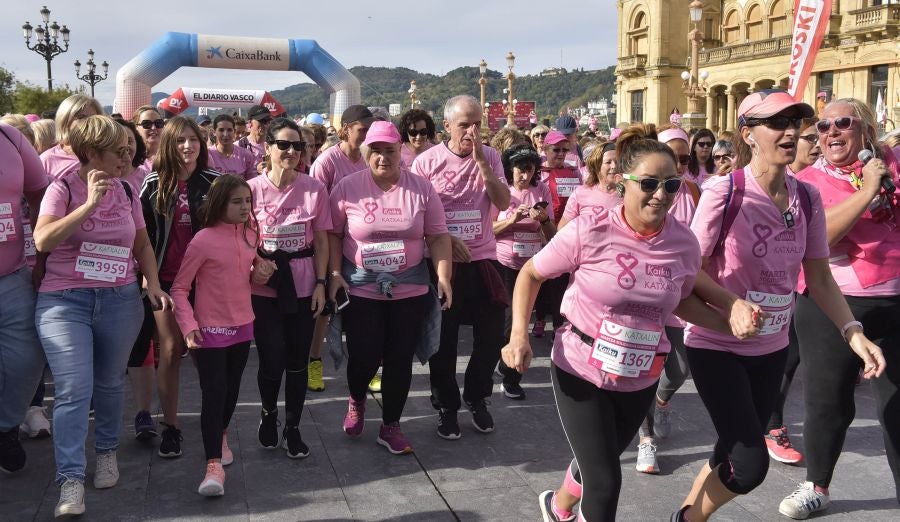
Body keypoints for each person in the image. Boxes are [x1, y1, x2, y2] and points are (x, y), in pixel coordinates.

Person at [502, 124, 752, 522]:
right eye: (650, 183)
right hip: (580, 367)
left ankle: (557, 506)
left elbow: (682, 302)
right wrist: (519, 336)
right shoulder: (592, 228)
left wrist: (730, 325)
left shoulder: (683, 243)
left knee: (597, 459)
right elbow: (530, 274)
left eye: (671, 185)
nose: (660, 194)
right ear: (624, 181)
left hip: (640, 373)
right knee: (606, 480)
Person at [674, 90, 885, 522]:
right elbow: (686, 269)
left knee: (726, 451)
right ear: (748, 134)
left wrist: (853, 332)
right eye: (777, 123)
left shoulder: (805, 198)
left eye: (795, 122)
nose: (790, 132)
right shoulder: (724, 192)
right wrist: (730, 303)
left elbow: (820, 277)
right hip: (716, 344)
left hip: (770, 348)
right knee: (749, 466)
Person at [33, 115, 172, 517]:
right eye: (119, 150)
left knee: (111, 383)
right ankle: (71, 477)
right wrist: (90, 204)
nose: (128, 155)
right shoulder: (61, 188)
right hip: (65, 301)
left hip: (119, 299)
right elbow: (44, 239)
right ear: (92, 153)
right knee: (75, 388)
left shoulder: (129, 191)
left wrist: (154, 283)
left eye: (130, 150)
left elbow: (142, 243)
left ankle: (107, 451)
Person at [778, 98, 900, 519]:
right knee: (827, 401)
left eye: (841, 124)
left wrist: (881, 180)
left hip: (896, 305)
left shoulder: (893, 165)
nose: (829, 133)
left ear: (865, 128)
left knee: (897, 407)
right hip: (833, 303)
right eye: (822, 127)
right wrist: (867, 190)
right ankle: (818, 484)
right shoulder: (807, 182)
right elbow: (820, 238)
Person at [328, 120, 452, 454]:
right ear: (366, 152)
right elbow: (332, 234)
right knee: (365, 355)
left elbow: (438, 236)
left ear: (402, 151)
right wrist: (334, 273)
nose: (383, 157)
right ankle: (356, 398)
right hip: (362, 288)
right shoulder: (347, 187)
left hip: (409, 287)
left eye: (390, 150)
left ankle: (391, 426)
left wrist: (442, 277)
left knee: (399, 359)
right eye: (376, 151)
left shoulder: (422, 189)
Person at [412, 94, 510, 438]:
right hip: (443, 263)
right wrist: (445, 239)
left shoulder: (493, 156)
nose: (472, 131)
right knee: (445, 341)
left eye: (478, 124)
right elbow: (416, 216)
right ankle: (447, 406)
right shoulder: (426, 163)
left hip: (483, 259)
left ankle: (478, 397)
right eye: (465, 124)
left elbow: (503, 202)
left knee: (492, 337)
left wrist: (482, 162)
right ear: (447, 126)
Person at [171, 175, 272, 496]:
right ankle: (212, 465)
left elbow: (253, 276)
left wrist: (263, 271)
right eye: (236, 201)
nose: (244, 207)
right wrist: (188, 326)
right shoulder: (202, 240)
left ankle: (222, 433)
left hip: (243, 328)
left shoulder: (251, 234)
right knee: (213, 394)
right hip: (209, 333)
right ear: (219, 203)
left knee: (230, 394)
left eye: (247, 201)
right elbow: (179, 288)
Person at [249, 118, 331, 458]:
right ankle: (269, 413)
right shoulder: (251, 188)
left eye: (298, 146)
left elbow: (323, 241)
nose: (292, 152)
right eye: (283, 145)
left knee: (297, 361)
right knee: (271, 359)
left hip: (303, 284)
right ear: (268, 148)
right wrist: (254, 261)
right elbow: (241, 237)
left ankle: (293, 426)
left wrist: (322, 283)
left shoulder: (314, 189)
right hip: (265, 288)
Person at [140, 116, 220, 459]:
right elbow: (140, 236)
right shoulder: (154, 183)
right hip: (166, 282)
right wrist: (149, 277)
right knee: (171, 351)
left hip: (206, 282)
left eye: (194, 140)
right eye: (181, 140)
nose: (188, 146)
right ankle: (171, 426)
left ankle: (216, 426)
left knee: (206, 355)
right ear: (169, 145)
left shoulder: (216, 182)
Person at [308, 105, 374, 393]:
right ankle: (314, 363)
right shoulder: (326, 162)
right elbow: (315, 208)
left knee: (364, 314)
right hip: (330, 244)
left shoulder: (370, 158)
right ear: (346, 129)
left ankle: (369, 368)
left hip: (362, 248)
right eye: (363, 130)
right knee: (325, 311)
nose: (368, 135)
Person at [0, 121, 49, 473]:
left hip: (12, 275)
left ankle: (5, 426)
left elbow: (39, 190)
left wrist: (41, 257)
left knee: (28, 356)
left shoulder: (10, 137)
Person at [492, 145, 555, 400]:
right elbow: (489, 230)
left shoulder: (541, 191)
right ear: (510, 169)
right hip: (504, 264)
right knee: (509, 324)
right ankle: (510, 376)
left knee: (523, 323)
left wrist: (543, 220)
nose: (524, 176)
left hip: (532, 268)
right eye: (520, 170)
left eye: (529, 170)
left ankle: (508, 369)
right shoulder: (502, 191)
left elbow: (552, 236)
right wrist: (512, 220)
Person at [532, 131, 581, 339]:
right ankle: (540, 318)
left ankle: (559, 326)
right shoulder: (538, 172)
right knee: (543, 280)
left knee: (560, 281)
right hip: (542, 231)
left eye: (564, 149)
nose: (561, 154)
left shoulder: (574, 172)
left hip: (566, 233)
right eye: (556, 150)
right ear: (545, 149)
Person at [557, 142, 621, 230]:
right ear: (596, 166)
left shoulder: (630, 194)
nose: (614, 166)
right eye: (608, 162)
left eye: (617, 162)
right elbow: (562, 230)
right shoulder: (580, 194)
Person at [41, 94, 104, 179]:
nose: (89, 122)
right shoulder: (47, 160)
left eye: (94, 118)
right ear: (65, 120)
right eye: (81, 117)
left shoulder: (108, 154)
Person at [208, 114, 257, 180]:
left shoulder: (246, 155)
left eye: (229, 130)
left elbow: (252, 183)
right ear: (214, 132)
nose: (225, 134)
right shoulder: (208, 154)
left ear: (234, 131)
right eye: (221, 130)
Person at [132, 106, 165, 171]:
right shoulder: (130, 159)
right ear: (136, 128)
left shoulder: (173, 155)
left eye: (158, 123)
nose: (153, 127)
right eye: (147, 124)